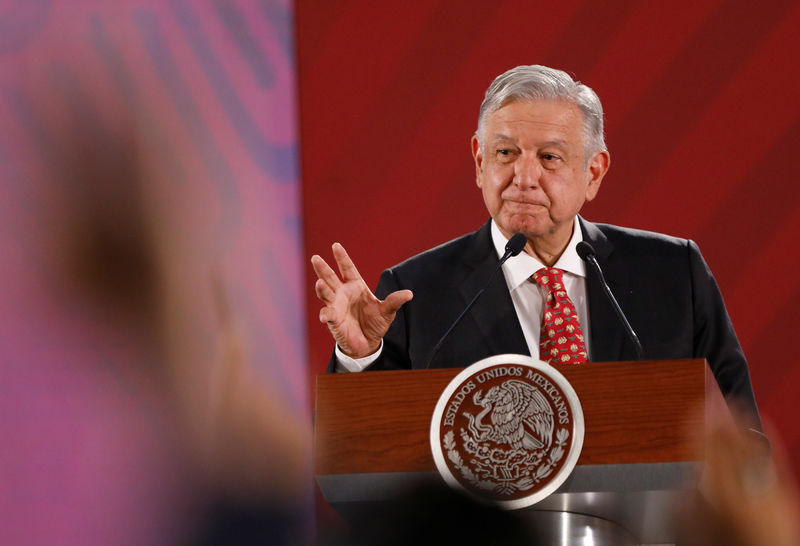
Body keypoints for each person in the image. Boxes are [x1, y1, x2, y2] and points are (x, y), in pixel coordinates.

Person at [310, 64, 760, 428]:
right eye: (505, 153)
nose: (524, 178)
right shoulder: (414, 292)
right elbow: (364, 461)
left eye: (549, 157)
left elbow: (742, 441)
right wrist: (359, 357)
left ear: (594, 172)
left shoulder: (672, 274)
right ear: (479, 161)